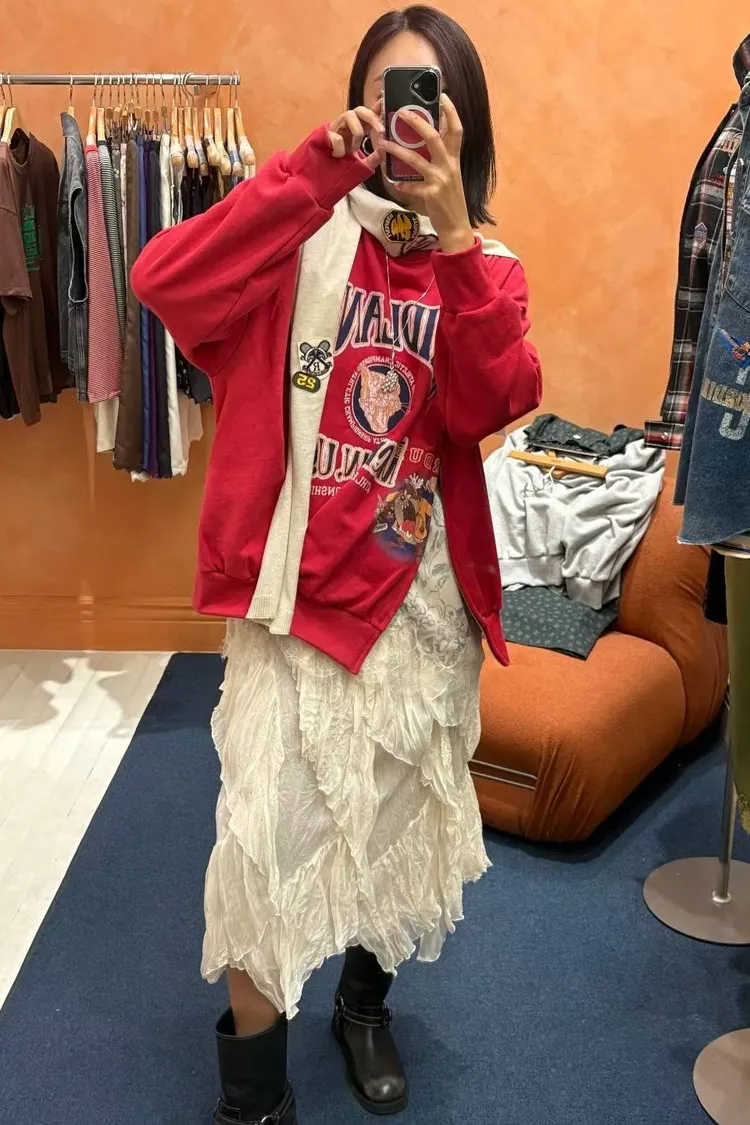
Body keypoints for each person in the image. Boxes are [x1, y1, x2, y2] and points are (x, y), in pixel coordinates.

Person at [132, 6, 542, 1123]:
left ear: (463, 122)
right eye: (386, 93)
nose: (408, 118)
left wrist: (454, 241)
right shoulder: (296, 236)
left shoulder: (487, 264)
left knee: (395, 818)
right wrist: (313, 170)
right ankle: (255, 1101)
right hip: (295, 605)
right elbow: (166, 281)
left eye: (430, 98)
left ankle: (364, 1007)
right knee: (260, 845)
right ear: (357, 107)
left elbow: (490, 401)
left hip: (421, 604)